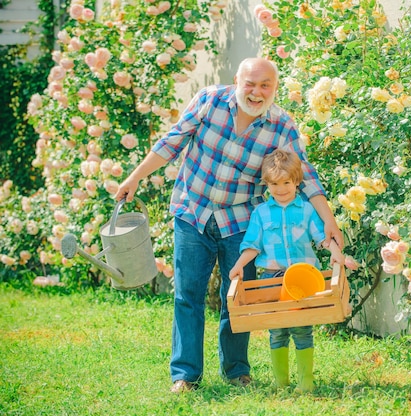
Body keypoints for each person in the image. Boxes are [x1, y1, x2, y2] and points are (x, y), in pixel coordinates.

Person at [114, 57, 344, 394]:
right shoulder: (209, 101)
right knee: (187, 295)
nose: (256, 91)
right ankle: (185, 375)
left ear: (275, 88)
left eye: (265, 85)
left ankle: (236, 370)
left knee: (238, 298)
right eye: (250, 83)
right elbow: (172, 142)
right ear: (237, 80)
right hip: (192, 211)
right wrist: (135, 178)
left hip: (239, 219)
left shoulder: (281, 125)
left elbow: (304, 176)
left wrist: (329, 220)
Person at [229, 149, 344, 392]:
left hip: (303, 277)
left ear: (297, 182)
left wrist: (334, 250)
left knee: (303, 329)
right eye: (274, 184)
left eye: (286, 183)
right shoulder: (260, 214)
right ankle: (281, 384)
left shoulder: (306, 210)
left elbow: (321, 236)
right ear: (266, 184)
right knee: (277, 330)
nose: (280, 189)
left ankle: (306, 384)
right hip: (272, 278)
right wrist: (239, 265)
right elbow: (252, 245)